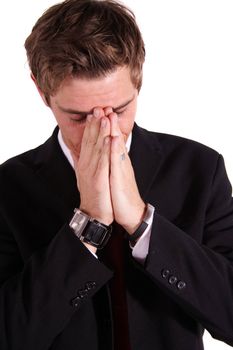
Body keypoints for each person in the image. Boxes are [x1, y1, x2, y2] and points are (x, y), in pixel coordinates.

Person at [0, 0, 233, 349]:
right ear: (40, 90)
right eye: (80, 117)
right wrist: (88, 223)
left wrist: (142, 222)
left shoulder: (199, 169)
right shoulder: (7, 188)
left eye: (119, 110)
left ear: (139, 80)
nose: (106, 130)